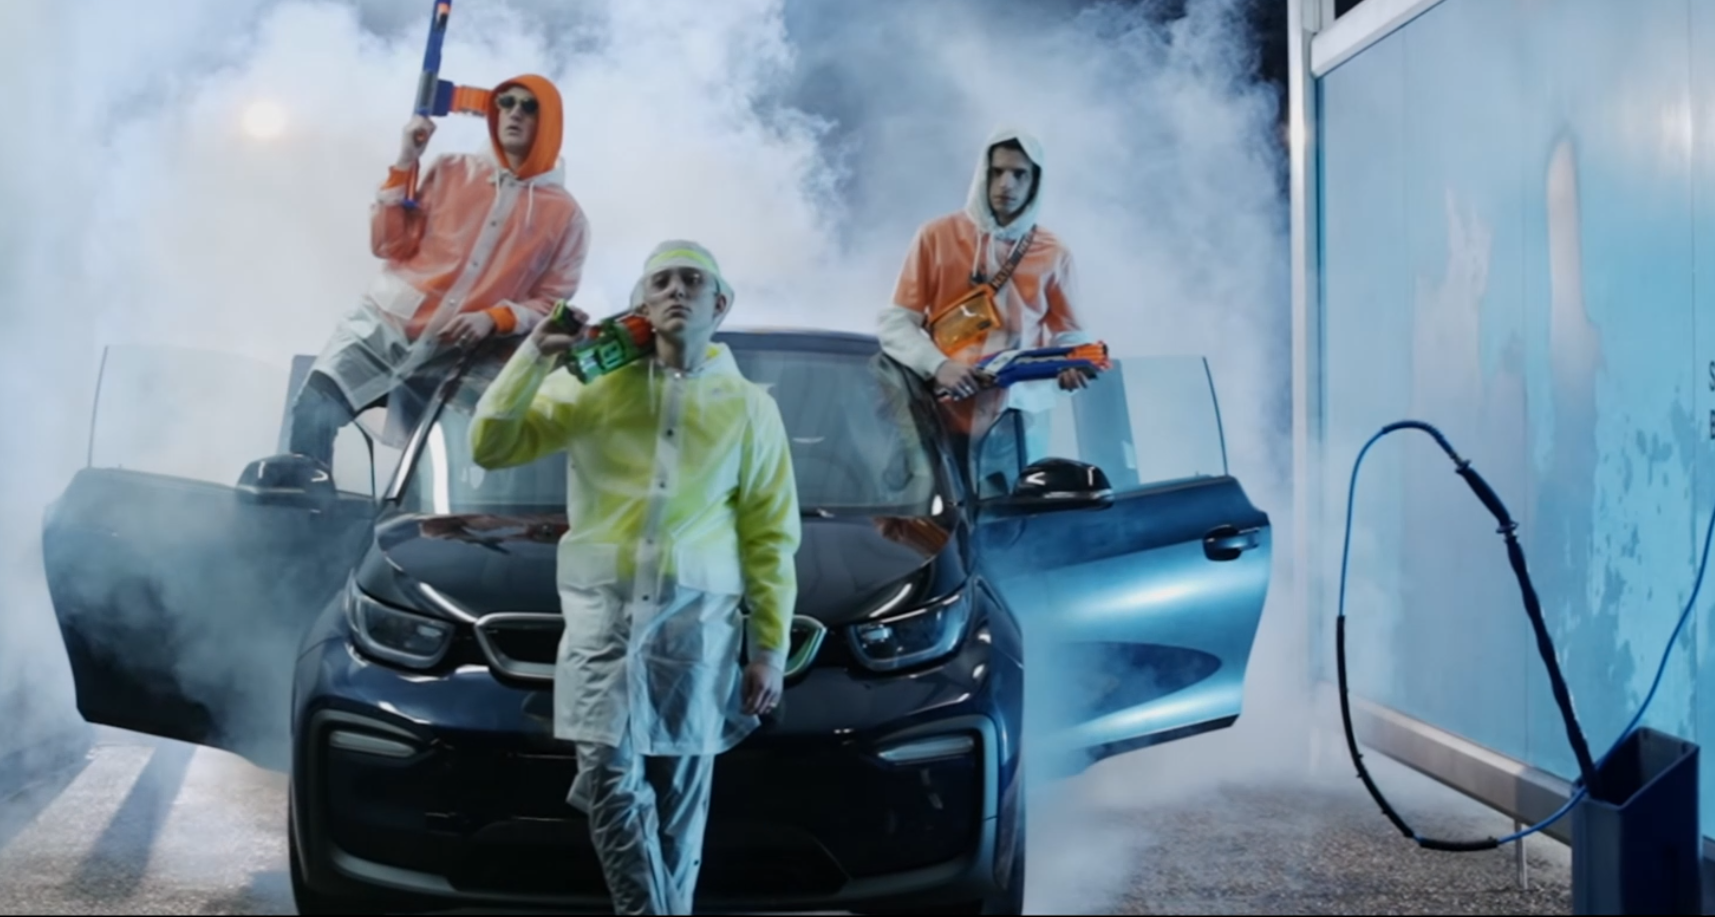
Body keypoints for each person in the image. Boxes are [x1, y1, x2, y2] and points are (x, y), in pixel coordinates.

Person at [467, 241, 801, 915]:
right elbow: (491, 445)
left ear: (720, 303)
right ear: (641, 303)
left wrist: (769, 648)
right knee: (609, 778)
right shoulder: (591, 385)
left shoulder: (748, 409)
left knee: (679, 805)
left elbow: (769, 536)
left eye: (692, 280)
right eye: (661, 281)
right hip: (603, 623)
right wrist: (535, 355)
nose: (676, 290)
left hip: (695, 630)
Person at [284, 73, 591, 479]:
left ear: (549, 122)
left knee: (443, 466)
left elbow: (552, 302)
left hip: (457, 359)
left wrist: (494, 318)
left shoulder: (566, 216)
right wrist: (406, 161)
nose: (514, 113)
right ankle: (303, 503)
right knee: (313, 411)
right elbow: (388, 244)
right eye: (505, 103)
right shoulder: (449, 169)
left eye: (529, 106)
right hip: (381, 332)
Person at [875, 127, 1102, 463]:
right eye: (997, 172)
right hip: (939, 412)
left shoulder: (1054, 253)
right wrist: (938, 366)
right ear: (983, 172)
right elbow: (895, 323)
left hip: (1017, 421)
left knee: (1015, 495)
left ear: (1035, 182)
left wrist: (1072, 369)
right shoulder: (937, 237)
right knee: (927, 497)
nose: (1006, 184)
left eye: (1019, 174)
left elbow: (1072, 336)